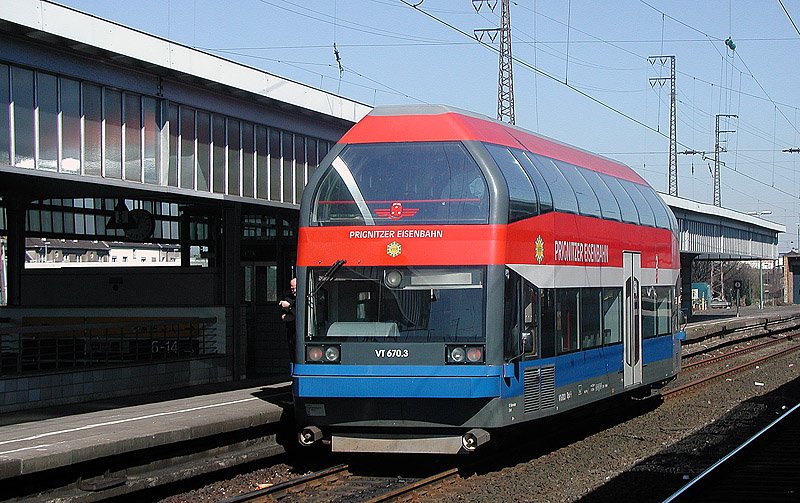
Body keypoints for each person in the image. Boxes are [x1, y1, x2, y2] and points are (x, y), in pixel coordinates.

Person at [279, 278, 297, 361]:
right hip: (292, 331)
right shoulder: (288, 299)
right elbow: (284, 317)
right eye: (292, 288)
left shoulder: (308, 298)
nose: (294, 291)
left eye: (296, 288)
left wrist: (290, 307)